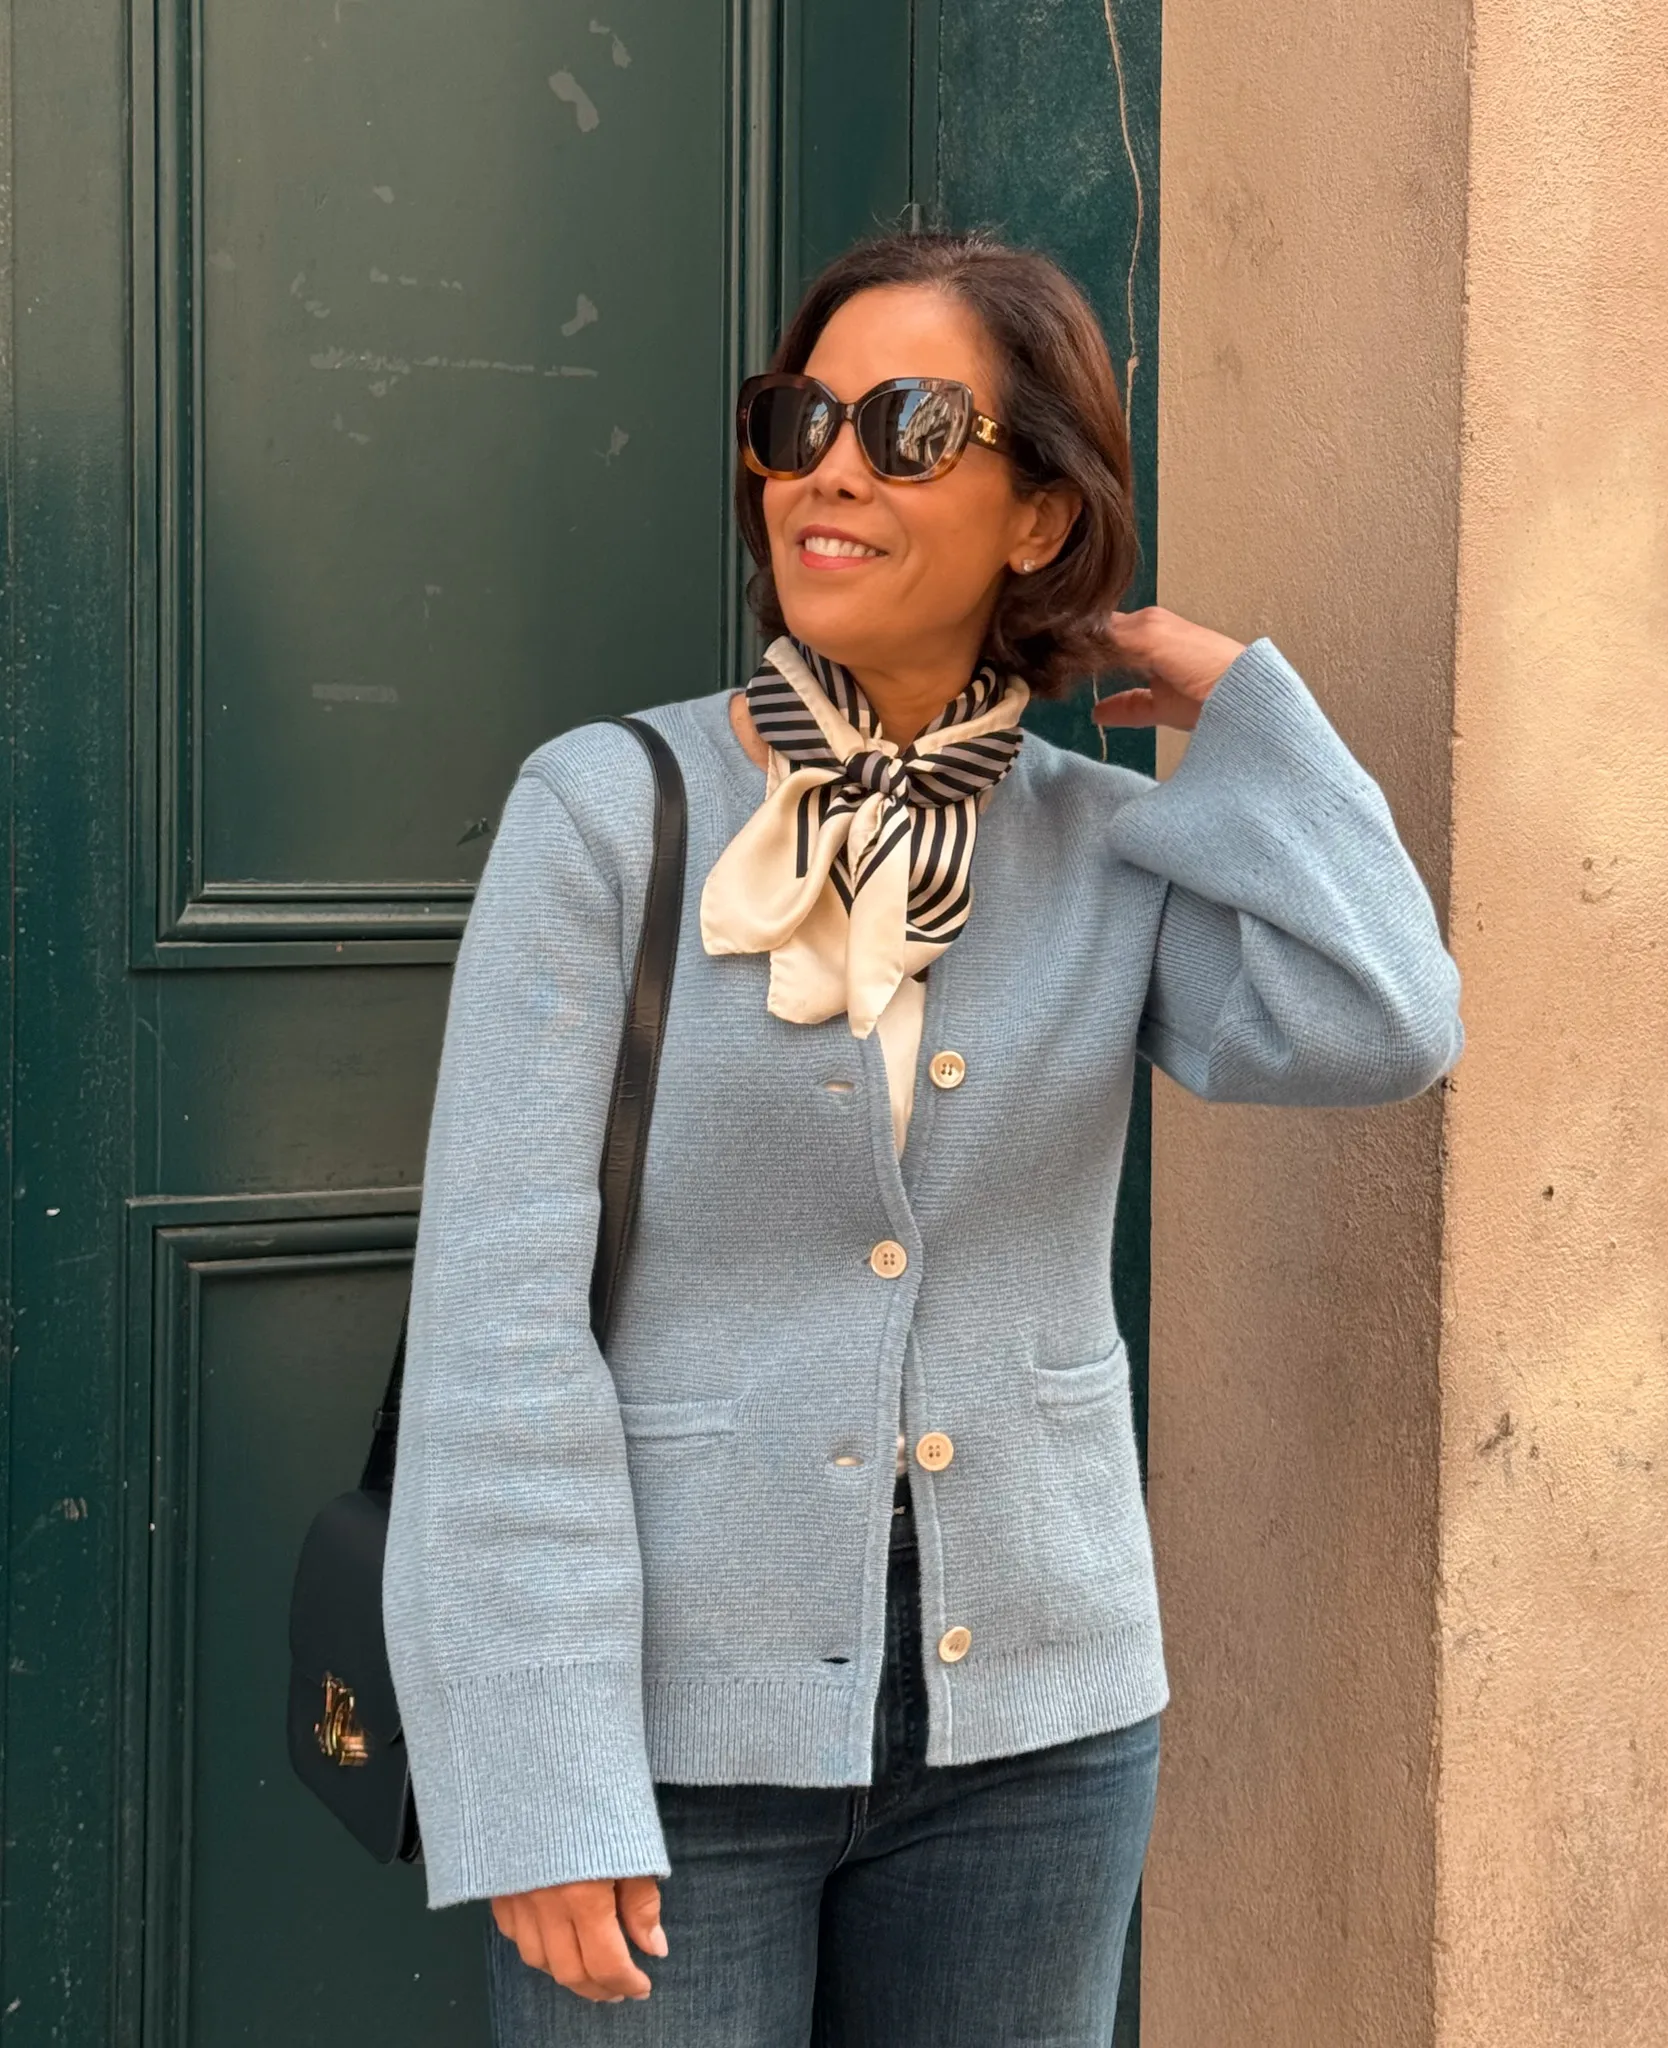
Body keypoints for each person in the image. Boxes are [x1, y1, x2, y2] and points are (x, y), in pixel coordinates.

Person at [382, 228, 1465, 2046]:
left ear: (1037, 517)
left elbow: (1383, 1024)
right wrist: (533, 1766)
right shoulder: (606, 809)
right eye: (798, 417)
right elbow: (496, 1328)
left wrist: (1239, 706)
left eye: (902, 427)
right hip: (661, 1732)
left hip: (1033, 1731)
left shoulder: (1095, 838)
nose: (826, 465)